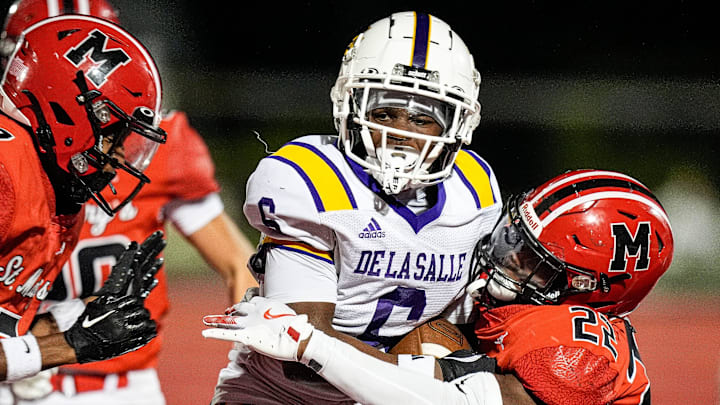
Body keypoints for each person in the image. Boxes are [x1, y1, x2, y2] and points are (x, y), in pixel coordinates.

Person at [210, 10, 503, 405]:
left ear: (459, 123)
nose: (400, 132)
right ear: (349, 105)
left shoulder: (475, 189)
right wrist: (437, 374)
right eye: (383, 113)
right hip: (286, 394)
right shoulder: (310, 178)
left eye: (422, 118)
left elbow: (471, 320)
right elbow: (300, 347)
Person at [203, 169, 674, 405]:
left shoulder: (574, 357)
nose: (507, 259)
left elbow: (439, 401)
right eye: (515, 237)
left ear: (593, 287)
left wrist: (309, 342)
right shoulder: (534, 310)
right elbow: (430, 372)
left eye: (533, 261)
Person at [0, 1, 258, 403]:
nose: (121, 157)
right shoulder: (14, 168)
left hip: (105, 374)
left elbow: (235, 263)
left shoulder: (138, 146)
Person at [0, 10, 166, 390]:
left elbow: (8, 332)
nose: (121, 157)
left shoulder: (56, 189)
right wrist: (69, 346)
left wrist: (81, 319)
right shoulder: (7, 173)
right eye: (115, 133)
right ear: (67, 111)